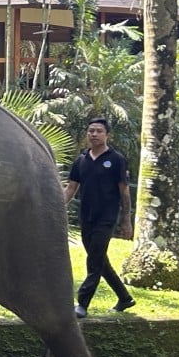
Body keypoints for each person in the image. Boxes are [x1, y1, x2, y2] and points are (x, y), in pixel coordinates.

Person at [64, 117, 136, 318]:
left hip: (107, 217)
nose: (94, 134)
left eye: (98, 131)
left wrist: (126, 220)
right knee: (100, 260)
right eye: (91, 131)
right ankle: (124, 297)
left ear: (107, 135)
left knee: (94, 259)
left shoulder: (116, 159)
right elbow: (70, 188)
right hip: (87, 216)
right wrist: (56, 209)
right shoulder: (81, 160)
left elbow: (124, 192)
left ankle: (82, 303)